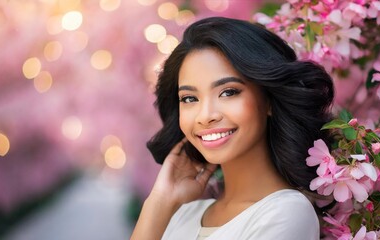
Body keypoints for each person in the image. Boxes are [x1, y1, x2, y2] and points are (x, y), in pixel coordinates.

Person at [131, 17, 334, 240]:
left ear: (268, 100)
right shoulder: (184, 214)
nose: (205, 116)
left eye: (228, 92)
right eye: (189, 98)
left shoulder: (286, 213)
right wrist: (159, 203)